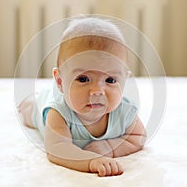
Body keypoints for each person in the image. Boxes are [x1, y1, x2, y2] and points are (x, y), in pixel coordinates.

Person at [18, 17, 147, 177]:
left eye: (110, 80)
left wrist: (109, 147)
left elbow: (138, 137)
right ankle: (27, 100)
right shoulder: (59, 113)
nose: (98, 91)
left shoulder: (125, 111)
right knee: (29, 110)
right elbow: (57, 148)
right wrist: (91, 161)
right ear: (59, 81)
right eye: (83, 79)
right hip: (40, 105)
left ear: (124, 81)